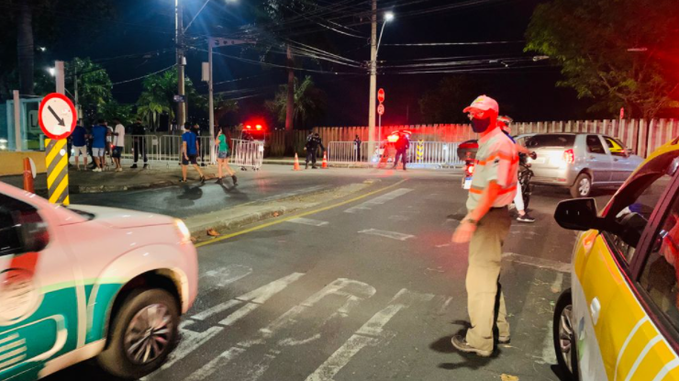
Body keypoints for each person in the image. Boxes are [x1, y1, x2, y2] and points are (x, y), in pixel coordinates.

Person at [451, 95, 518, 357]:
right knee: (489, 276)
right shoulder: (490, 142)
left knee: (479, 282)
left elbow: (493, 186)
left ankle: (480, 341)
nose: (472, 118)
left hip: (489, 218)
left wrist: (471, 219)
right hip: (490, 216)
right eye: (471, 114)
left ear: (492, 116)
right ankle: (499, 330)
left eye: (478, 114)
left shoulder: (498, 144)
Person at [497, 116, 535, 223]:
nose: (509, 127)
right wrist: (528, 152)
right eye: (507, 124)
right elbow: (516, 147)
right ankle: (521, 213)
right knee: (516, 187)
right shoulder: (504, 136)